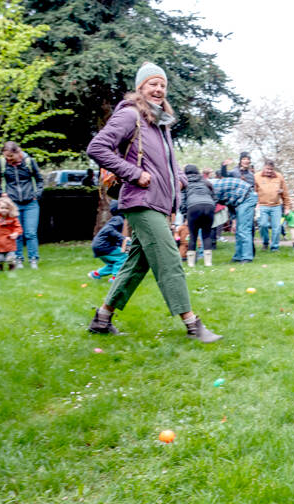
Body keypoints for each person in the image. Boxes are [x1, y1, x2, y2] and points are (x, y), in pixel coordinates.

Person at [85, 61, 222, 344]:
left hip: (159, 202)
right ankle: (192, 324)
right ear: (141, 87)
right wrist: (134, 174)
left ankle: (101, 319)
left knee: (135, 265)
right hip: (141, 201)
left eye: (162, 85)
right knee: (170, 260)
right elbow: (97, 147)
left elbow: (167, 162)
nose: (159, 89)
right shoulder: (130, 115)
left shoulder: (160, 123)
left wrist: (180, 178)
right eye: (153, 84)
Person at [0, 141, 44, 269]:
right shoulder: (2, 163)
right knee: (16, 233)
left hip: (31, 203)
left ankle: (33, 259)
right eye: (6, 156)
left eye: (10, 156)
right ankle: (18, 259)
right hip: (12, 204)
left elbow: (39, 179)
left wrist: (37, 194)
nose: (8, 159)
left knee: (30, 233)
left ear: (18, 152)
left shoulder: (29, 162)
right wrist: (1, 193)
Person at [209, 176, 258, 263]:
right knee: (239, 230)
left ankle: (247, 257)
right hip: (240, 200)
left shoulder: (214, 190)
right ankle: (238, 257)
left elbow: (212, 208)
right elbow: (229, 203)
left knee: (243, 229)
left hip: (247, 197)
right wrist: (234, 221)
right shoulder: (214, 189)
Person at [179, 164, 216, 267]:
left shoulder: (185, 183)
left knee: (193, 235)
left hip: (193, 207)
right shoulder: (206, 182)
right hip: (209, 206)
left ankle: (191, 264)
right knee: (207, 235)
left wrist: (185, 215)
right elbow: (214, 197)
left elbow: (182, 201)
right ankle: (208, 263)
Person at [88, 199, 129, 282]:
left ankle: (96, 274)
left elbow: (112, 235)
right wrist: (122, 238)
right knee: (123, 257)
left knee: (114, 262)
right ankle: (116, 278)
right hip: (104, 246)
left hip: (98, 246)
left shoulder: (115, 219)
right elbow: (110, 230)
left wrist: (121, 243)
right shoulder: (118, 219)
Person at [255, 160, 291, 251]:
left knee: (277, 227)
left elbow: (285, 193)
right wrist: (256, 204)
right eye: (267, 169)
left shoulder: (279, 177)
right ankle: (265, 242)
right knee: (263, 225)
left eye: (271, 169)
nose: (269, 171)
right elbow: (254, 192)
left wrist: (287, 207)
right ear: (264, 167)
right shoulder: (257, 176)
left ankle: (274, 247)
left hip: (276, 206)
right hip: (262, 205)